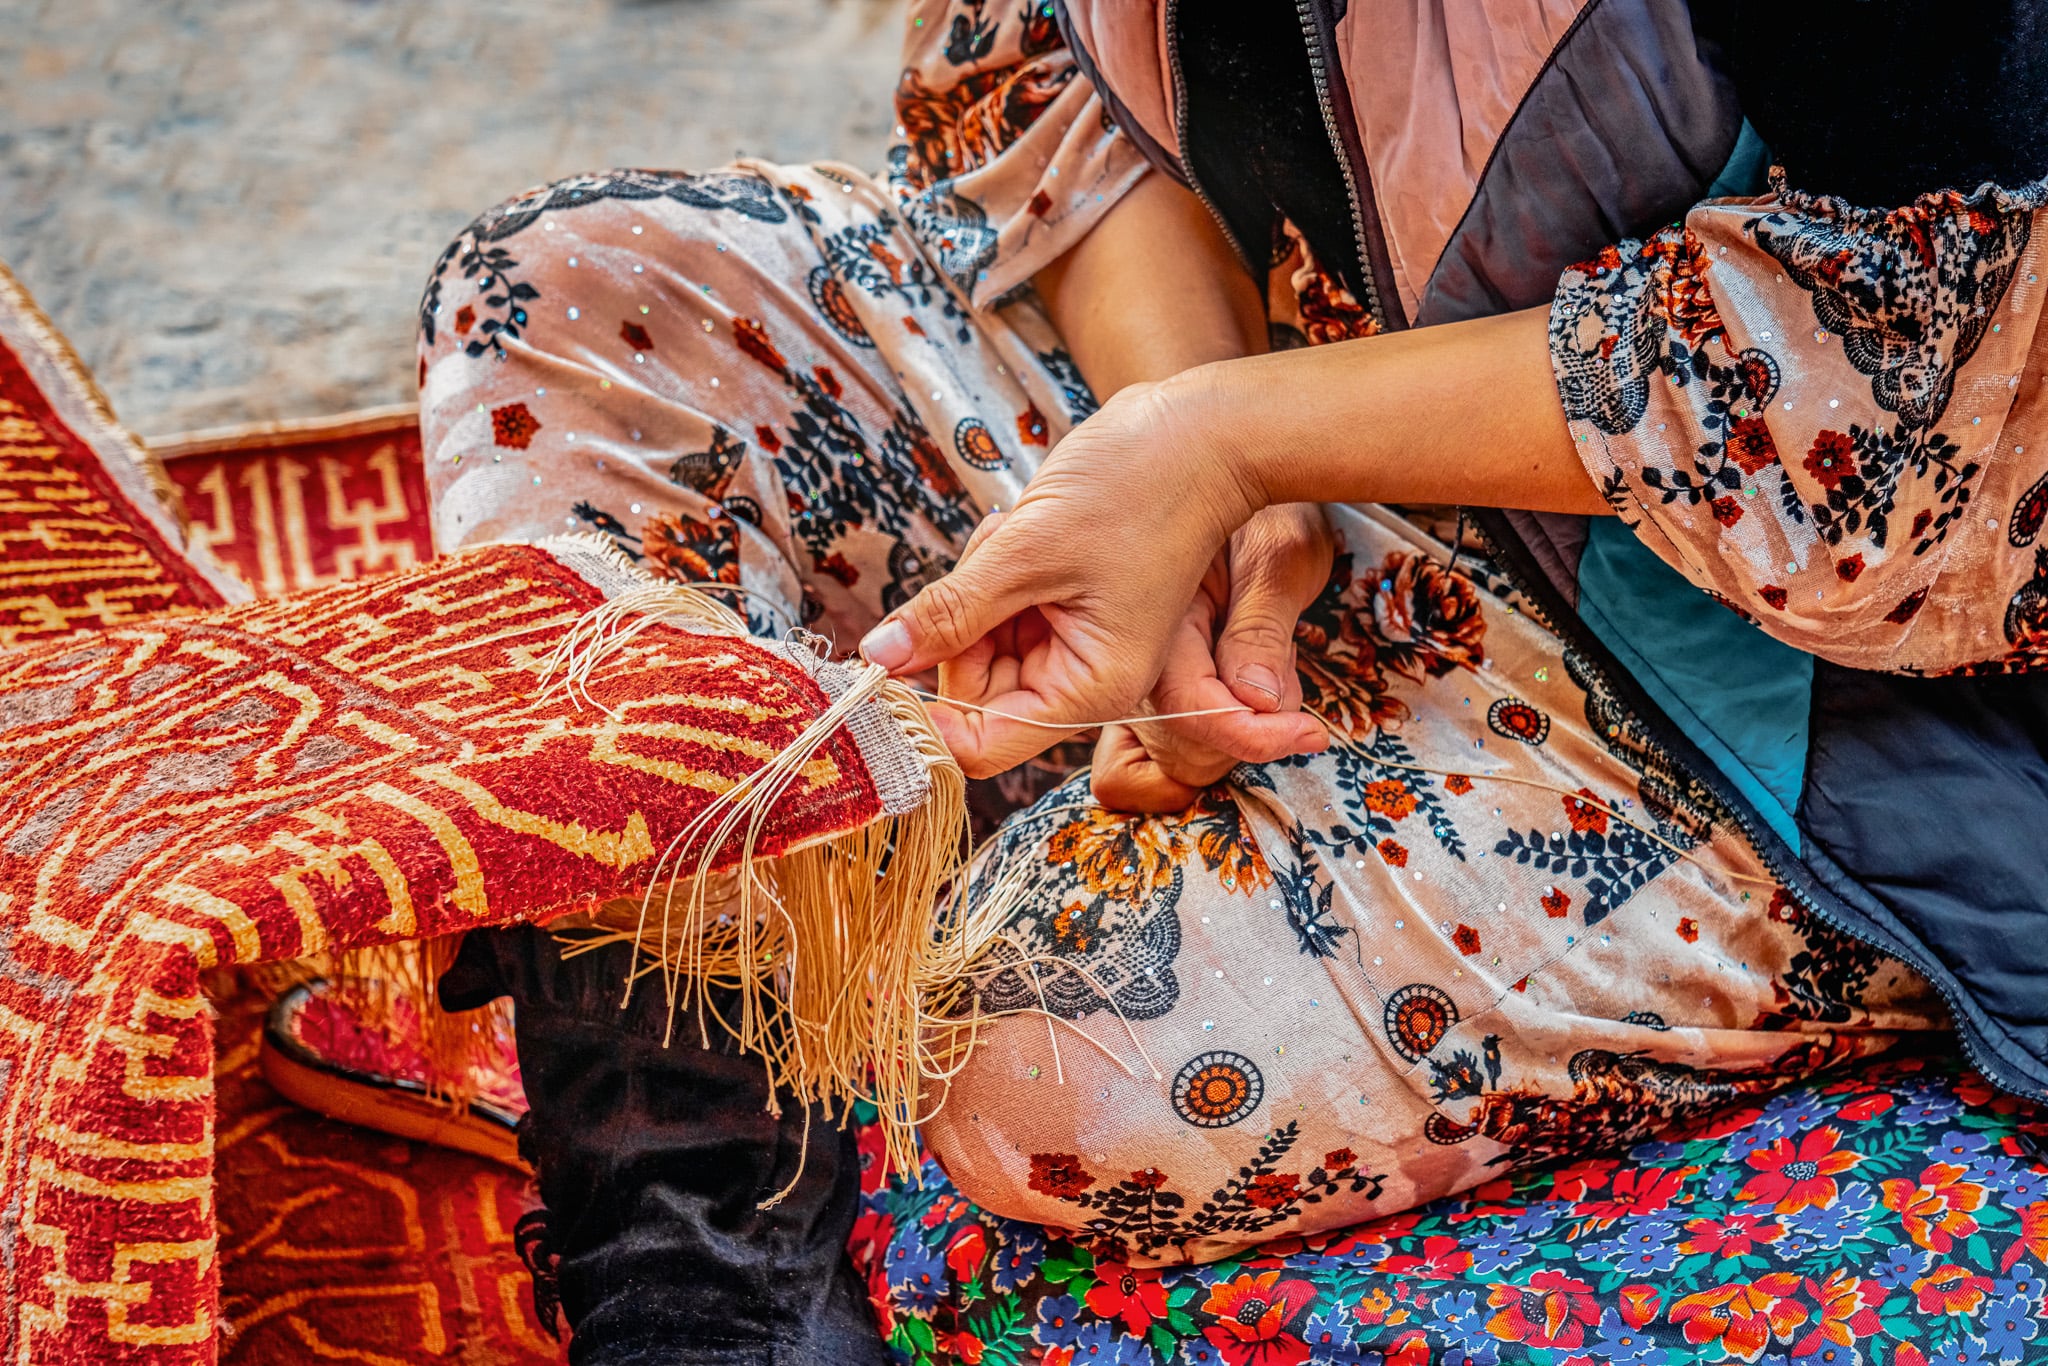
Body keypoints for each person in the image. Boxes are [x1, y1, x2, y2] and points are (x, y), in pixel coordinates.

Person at [418, 1, 2048, 1360]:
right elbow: (1058, 80)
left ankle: (882, 878)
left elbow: (1941, 389)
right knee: (576, 301)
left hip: (1783, 682)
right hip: (1308, 428)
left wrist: (1232, 446)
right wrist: (1211, 484)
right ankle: (699, 1261)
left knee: (1033, 1061)